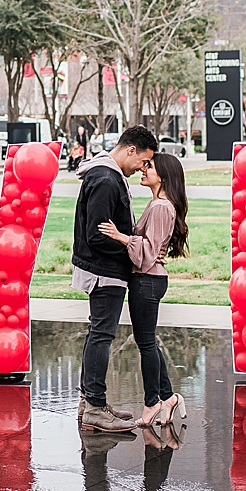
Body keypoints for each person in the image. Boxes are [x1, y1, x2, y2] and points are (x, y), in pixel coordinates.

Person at [71, 124, 159, 432]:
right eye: (143, 161)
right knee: (102, 336)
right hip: (103, 270)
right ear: (131, 150)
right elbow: (97, 234)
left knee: (97, 334)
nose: (141, 169)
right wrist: (134, 250)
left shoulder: (106, 175)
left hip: (102, 269)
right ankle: (94, 407)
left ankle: (91, 402)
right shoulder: (107, 179)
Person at [98, 152, 190, 430]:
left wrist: (122, 237)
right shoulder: (157, 204)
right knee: (147, 341)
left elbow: (148, 254)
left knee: (147, 343)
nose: (143, 170)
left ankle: (154, 401)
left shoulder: (161, 207)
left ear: (163, 175)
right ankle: (168, 397)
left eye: (149, 167)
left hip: (148, 279)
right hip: (147, 280)